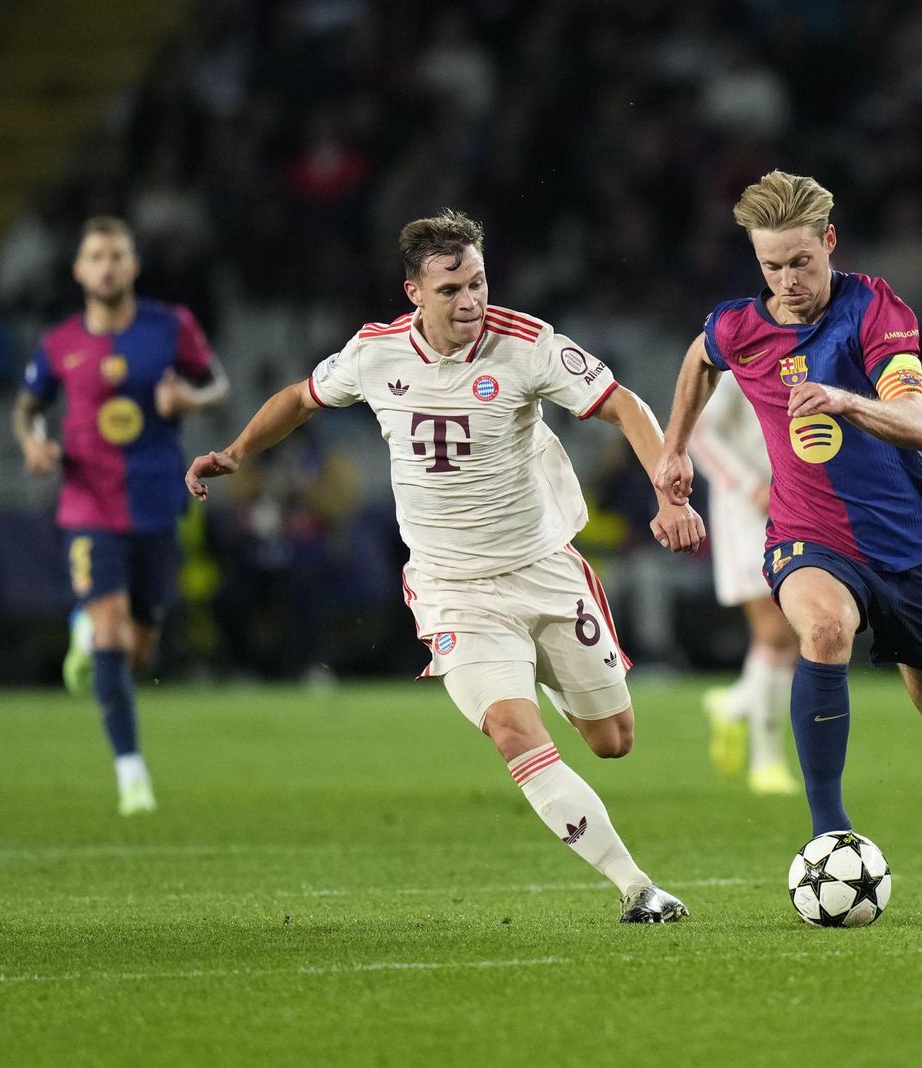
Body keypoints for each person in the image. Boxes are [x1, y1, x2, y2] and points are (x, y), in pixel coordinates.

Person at [186, 209, 704, 923]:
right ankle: (638, 889)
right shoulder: (375, 354)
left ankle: (543, 671)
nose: (470, 303)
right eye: (452, 289)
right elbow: (300, 400)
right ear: (414, 295)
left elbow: (626, 408)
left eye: (479, 283)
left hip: (543, 569)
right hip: (453, 589)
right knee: (513, 731)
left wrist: (667, 490)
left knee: (613, 741)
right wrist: (239, 451)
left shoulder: (527, 345)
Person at [652, 171, 922, 900]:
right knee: (822, 627)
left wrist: (842, 401)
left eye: (802, 261)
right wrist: (674, 448)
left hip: (907, 546)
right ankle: (830, 833)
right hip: (807, 536)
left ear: (829, 243)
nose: (788, 280)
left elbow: (920, 425)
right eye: (772, 266)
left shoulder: (874, 311)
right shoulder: (740, 325)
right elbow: (702, 358)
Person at [12, 215, 229, 816]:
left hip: (158, 503)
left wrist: (190, 397)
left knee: (137, 647)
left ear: (133, 265)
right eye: (96, 257)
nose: (107, 266)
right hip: (88, 505)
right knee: (111, 628)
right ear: (80, 270)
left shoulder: (171, 326)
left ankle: (87, 636)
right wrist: (33, 444)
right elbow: (29, 408)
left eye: (117, 256)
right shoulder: (59, 344)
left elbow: (217, 385)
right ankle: (132, 775)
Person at [688, 380, 801, 795]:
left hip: (802, 500)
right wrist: (748, 483)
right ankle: (767, 761)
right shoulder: (742, 354)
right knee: (775, 635)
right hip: (749, 509)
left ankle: (734, 705)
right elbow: (701, 432)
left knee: (799, 633)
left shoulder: (821, 345)